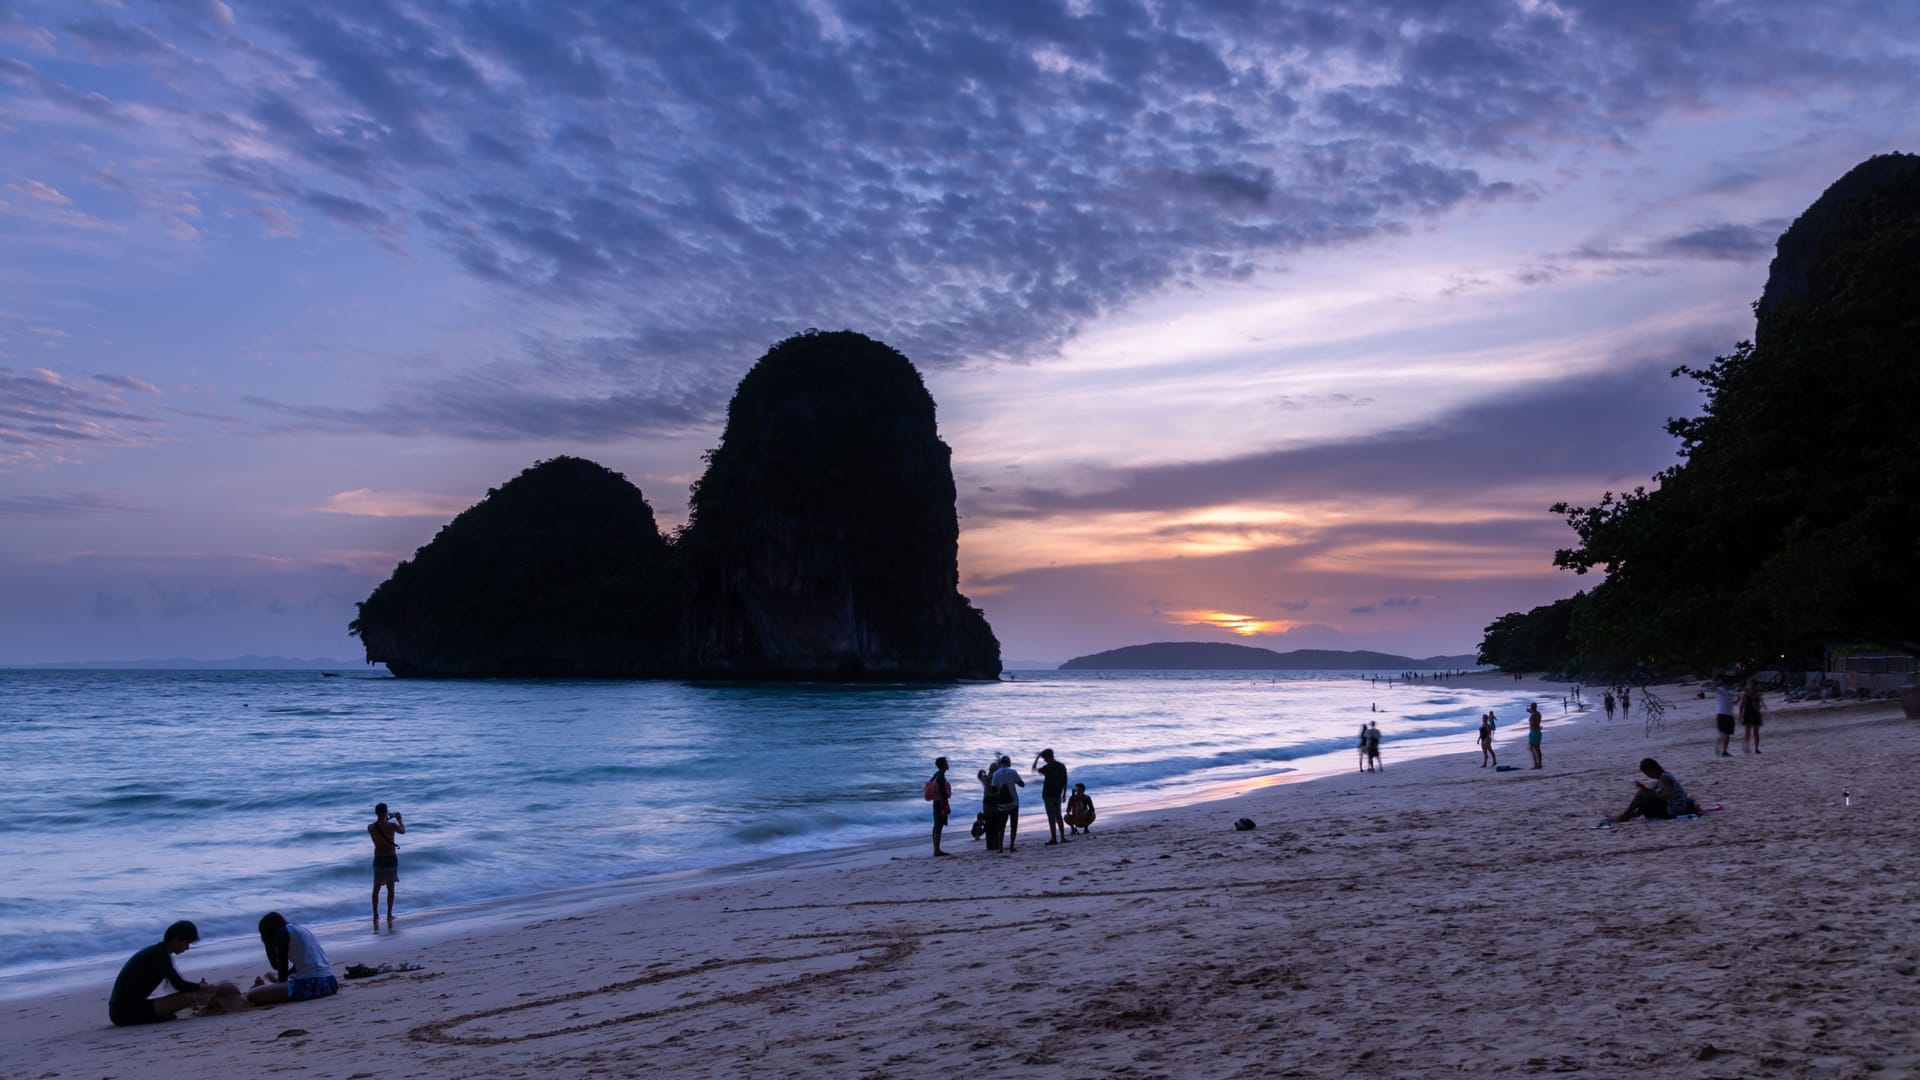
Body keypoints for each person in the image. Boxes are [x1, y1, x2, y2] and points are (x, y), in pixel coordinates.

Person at [108, 920, 217, 1026]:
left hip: (119, 1010)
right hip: (124, 1013)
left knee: (188, 995)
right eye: (186, 942)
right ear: (176, 939)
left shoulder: (157, 952)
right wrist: (205, 988)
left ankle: (155, 1016)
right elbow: (179, 985)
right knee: (187, 998)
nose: (187, 948)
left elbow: (177, 985)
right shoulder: (160, 956)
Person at [246, 912, 337, 1005]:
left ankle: (263, 985)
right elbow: (301, 962)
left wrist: (274, 987)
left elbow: (283, 970)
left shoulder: (282, 933)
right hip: (329, 982)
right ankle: (265, 984)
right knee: (269, 975)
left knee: (251, 995)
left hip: (311, 985)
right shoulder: (298, 928)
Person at [1611, 758, 1694, 822]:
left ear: (1653, 769)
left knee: (1641, 794)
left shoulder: (1664, 778)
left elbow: (1668, 795)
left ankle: (1624, 816)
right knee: (1643, 796)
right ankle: (1627, 815)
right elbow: (1651, 791)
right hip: (1676, 808)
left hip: (1673, 811)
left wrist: (1648, 792)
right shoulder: (1663, 776)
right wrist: (1645, 790)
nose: (1647, 775)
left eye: (1647, 773)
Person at [369, 802, 405, 926]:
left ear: (375, 813)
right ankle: (389, 915)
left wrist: (385, 818)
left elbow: (380, 823)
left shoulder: (371, 827)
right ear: (386, 812)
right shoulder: (392, 826)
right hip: (390, 858)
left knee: (376, 888)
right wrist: (399, 819)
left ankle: (375, 915)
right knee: (391, 889)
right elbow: (403, 831)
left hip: (378, 858)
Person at [1033, 749, 1070, 845]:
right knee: (1058, 815)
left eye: (1044, 758)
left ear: (1048, 757)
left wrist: (1037, 758)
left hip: (1048, 794)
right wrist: (1064, 794)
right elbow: (1065, 781)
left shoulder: (1047, 768)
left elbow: (1034, 769)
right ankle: (1062, 837)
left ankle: (1054, 839)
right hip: (1057, 793)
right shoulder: (1061, 766)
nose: (1044, 760)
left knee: (1051, 817)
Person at [989, 755, 1025, 851]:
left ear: (1000, 764)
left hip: (1002, 804)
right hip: (1014, 802)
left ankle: (1000, 847)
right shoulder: (1012, 772)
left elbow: (993, 789)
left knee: (1001, 826)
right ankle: (1012, 846)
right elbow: (1022, 784)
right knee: (1014, 825)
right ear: (1009, 763)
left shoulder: (996, 774)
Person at [927, 757, 953, 856]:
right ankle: (937, 850)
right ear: (943, 765)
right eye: (946, 762)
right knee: (939, 825)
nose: (948, 764)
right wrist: (945, 804)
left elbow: (930, 784)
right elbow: (943, 792)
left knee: (937, 825)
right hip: (941, 803)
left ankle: (936, 849)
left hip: (936, 802)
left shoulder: (936, 774)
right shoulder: (941, 776)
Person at [977, 759, 1005, 851]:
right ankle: (997, 843)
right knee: (997, 823)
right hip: (996, 801)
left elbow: (979, 776)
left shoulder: (986, 778)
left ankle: (990, 845)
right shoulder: (998, 776)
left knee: (989, 823)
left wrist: (981, 771)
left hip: (987, 802)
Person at [1713, 679, 1738, 757]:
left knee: (1727, 734)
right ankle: (1718, 745)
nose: (1732, 685)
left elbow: (1732, 704)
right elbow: (1714, 687)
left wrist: (1738, 700)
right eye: (1730, 684)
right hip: (1722, 714)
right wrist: (1714, 677)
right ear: (1726, 684)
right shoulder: (1721, 690)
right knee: (1724, 733)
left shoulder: (1731, 693)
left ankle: (1724, 751)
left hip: (1730, 715)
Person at [1739, 680, 1765, 754]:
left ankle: (1756, 748)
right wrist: (1740, 715)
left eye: (1751, 685)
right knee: (1747, 733)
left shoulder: (1757, 694)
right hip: (1747, 714)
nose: (1750, 686)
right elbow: (1741, 706)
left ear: (1754, 686)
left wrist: (1762, 707)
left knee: (1756, 733)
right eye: (1749, 685)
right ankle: (1746, 747)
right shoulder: (1745, 695)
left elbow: (1760, 704)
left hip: (1756, 714)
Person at [1526, 702, 1544, 769]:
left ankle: (1536, 764)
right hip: (1537, 732)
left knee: (1531, 748)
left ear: (1532, 707)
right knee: (1538, 749)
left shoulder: (1533, 715)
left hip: (1534, 732)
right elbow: (1529, 710)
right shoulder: (1538, 713)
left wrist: (1538, 727)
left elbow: (1534, 725)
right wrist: (1529, 709)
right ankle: (1539, 764)